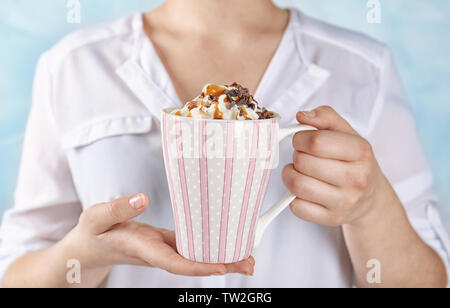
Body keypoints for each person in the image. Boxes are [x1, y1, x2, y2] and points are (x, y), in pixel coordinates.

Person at [0, 0, 449, 288]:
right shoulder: (73, 65)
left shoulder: (363, 68)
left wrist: (372, 209)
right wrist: (82, 257)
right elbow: (16, 271)